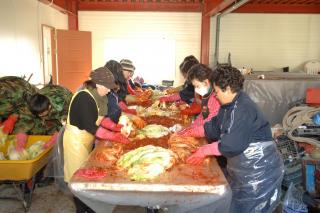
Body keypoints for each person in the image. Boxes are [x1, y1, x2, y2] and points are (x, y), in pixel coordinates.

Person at [187, 66, 284, 213]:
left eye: (217, 91)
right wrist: (191, 132)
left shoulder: (242, 108)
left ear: (226, 89)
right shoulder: (228, 106)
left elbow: (232, 144)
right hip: (244, 168)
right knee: (236, 204)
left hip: (259, 171)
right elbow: (214, 126)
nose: (215, 95)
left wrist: (204, 150)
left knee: (252, 208)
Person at [63, 67, 130, 213]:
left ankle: (89, 205)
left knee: (87, 175)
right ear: (98, 84)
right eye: (107, 88)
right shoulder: (83, 98)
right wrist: (113, 136)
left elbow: (101, 120)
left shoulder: (100, 96)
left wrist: (116, 128)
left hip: (86, 140)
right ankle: (81, 208)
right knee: (78, 180)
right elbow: (90, 126)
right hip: (75, 142)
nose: (109, 91)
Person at [178, 64, 220, 138]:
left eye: (197, 86)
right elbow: (202, 115)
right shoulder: (206, 95)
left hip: (214, 137)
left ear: (206, 82)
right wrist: (190, 128)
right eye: (194, 86)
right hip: (205, 132)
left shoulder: (216, 98)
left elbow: (208, 123)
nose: (196, 90)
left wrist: (189, 132)